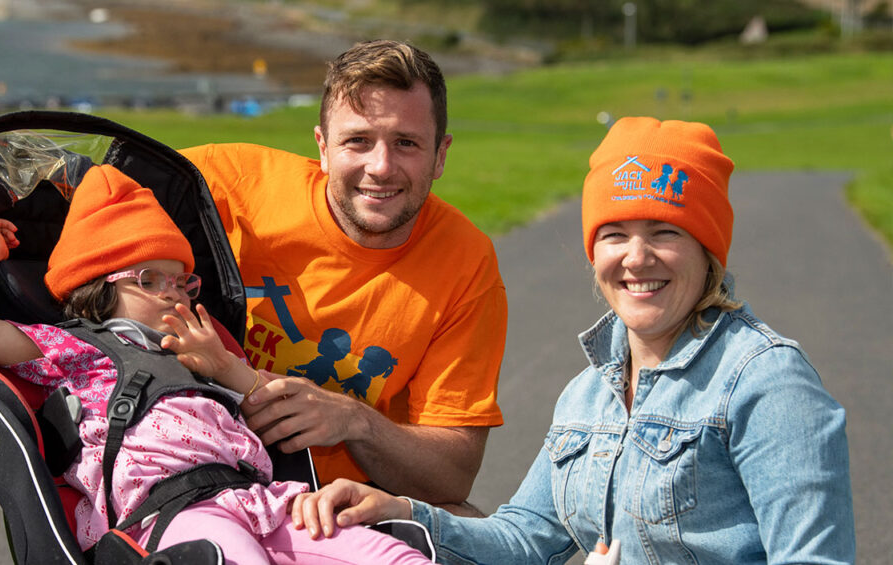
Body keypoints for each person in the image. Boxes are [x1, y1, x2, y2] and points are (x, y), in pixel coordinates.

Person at [0, 40, 508, 512]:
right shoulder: (230, 182)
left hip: (346, 497)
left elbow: (452, 477)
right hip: (187, 468)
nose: (381, 167)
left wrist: (355, 421)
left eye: (406, 143)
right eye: (359, 141)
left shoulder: (466, 263)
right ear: (321, 145)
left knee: (480, 535)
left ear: (441, 154)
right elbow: (60, 177)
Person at [288, 117, 856, 565]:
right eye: (615, 234)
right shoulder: (589, 395)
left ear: (708, 250)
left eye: (665, 232)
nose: (636, 258)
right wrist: (401, 512)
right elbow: (527, 540)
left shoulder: (765, 380)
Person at [0, 163, 434, 564]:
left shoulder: (207, 347)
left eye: (181, 279)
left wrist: (223, 365)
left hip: (257, 499)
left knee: (397, 556)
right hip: (170, 515)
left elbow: (268, 403)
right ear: (98, 288)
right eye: (149, 279)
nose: (171, 290)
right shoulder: (76, 349)